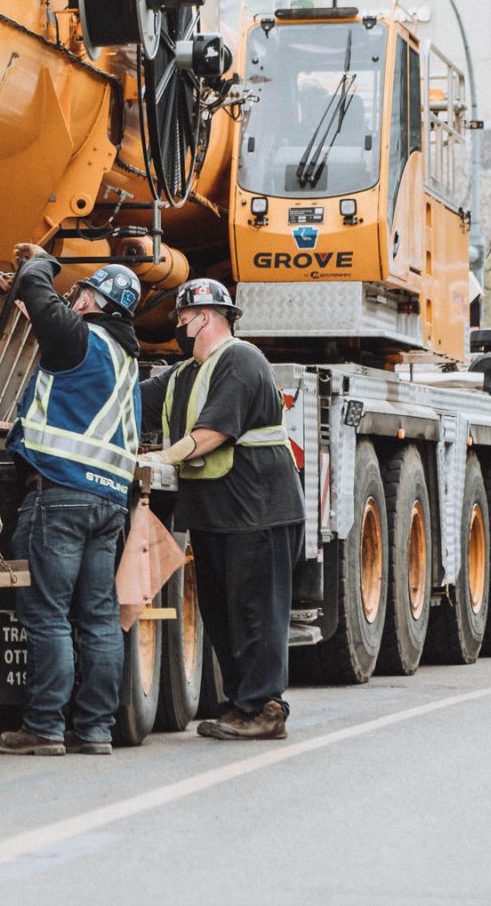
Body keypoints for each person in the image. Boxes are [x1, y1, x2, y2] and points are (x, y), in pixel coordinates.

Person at [136, 278, 303, 741]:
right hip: (216, 514)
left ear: (205, 317)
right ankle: (240, 703)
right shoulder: (183, 374)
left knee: (256, 611)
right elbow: (132, 404)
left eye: (183, 320)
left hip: (259, 511)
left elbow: (213, 433)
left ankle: (266, 708)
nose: (179, 328)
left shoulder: (241, 361)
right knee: (222, 611)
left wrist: (159, 458)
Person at [0, 244, 142, 757]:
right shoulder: (126, 360)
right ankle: (96, 730)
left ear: (91, 302)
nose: (72, 299)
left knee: (48, 614)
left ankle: (44, 727)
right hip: (108, 504)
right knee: (100, 617)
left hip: (58, 494)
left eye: (80, 293)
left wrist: (41, 261)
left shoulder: (78, 340)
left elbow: (38, 292)